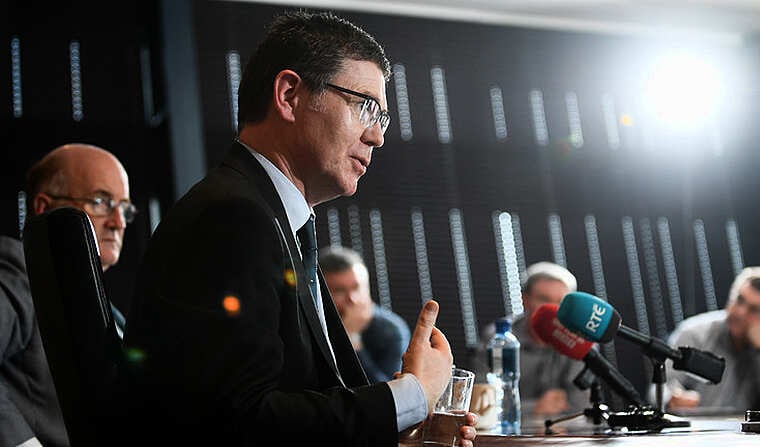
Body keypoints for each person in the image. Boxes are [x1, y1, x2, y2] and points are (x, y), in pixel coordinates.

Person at [118, 11, 476, 446]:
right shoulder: (231, 218)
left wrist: (401, 430)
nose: (377, 137)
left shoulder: (271, 219)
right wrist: (413, 394)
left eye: (381, 119)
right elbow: (236, 420)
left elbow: (298, 402)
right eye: (366, 107)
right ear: (289, 95)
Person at [1, 143, 134, 447]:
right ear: (44, 208)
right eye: (101, 201)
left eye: (124, 208)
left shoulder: (104, 309)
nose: (118, 222)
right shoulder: (19, 272)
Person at [661, 266, 760, 413]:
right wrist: (672, 398)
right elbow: (660, 386)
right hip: (695, 430)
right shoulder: (693, 333)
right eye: (739, 300)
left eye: (754, 309)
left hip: (751, 434)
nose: (740, 312)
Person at [470, 262, 590, 427]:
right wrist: (536, 407)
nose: (553, 309)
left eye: (561, 302)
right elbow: (483, 405)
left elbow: (582, 409)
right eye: (544, 299)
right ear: (525, 300)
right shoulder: (498, 339)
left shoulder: (578, 341)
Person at [318, 245, 411, 383]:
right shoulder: (309, 323)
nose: (352, 299)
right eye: (339, 291)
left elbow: (386, 395)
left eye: (357, 288)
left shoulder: (391, 330)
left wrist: (352, 338)